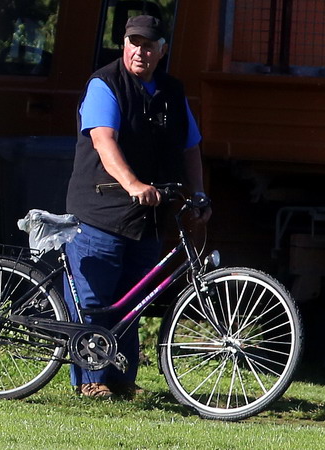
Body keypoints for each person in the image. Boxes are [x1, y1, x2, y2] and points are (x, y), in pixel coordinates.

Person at [64, 15, 211, 399]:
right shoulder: (105, 84)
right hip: (101, 212)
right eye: (134, 42)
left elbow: (190, 146)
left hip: (148, 217)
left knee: (133, 303)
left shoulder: (172, 91)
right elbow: (104, 140)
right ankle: (90, 381)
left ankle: (121, 380)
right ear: (124, 44)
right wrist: (132, 184)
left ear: (162, 50)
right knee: (94, 302)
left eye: (148, 45)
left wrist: (198, 194)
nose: (140, 51)